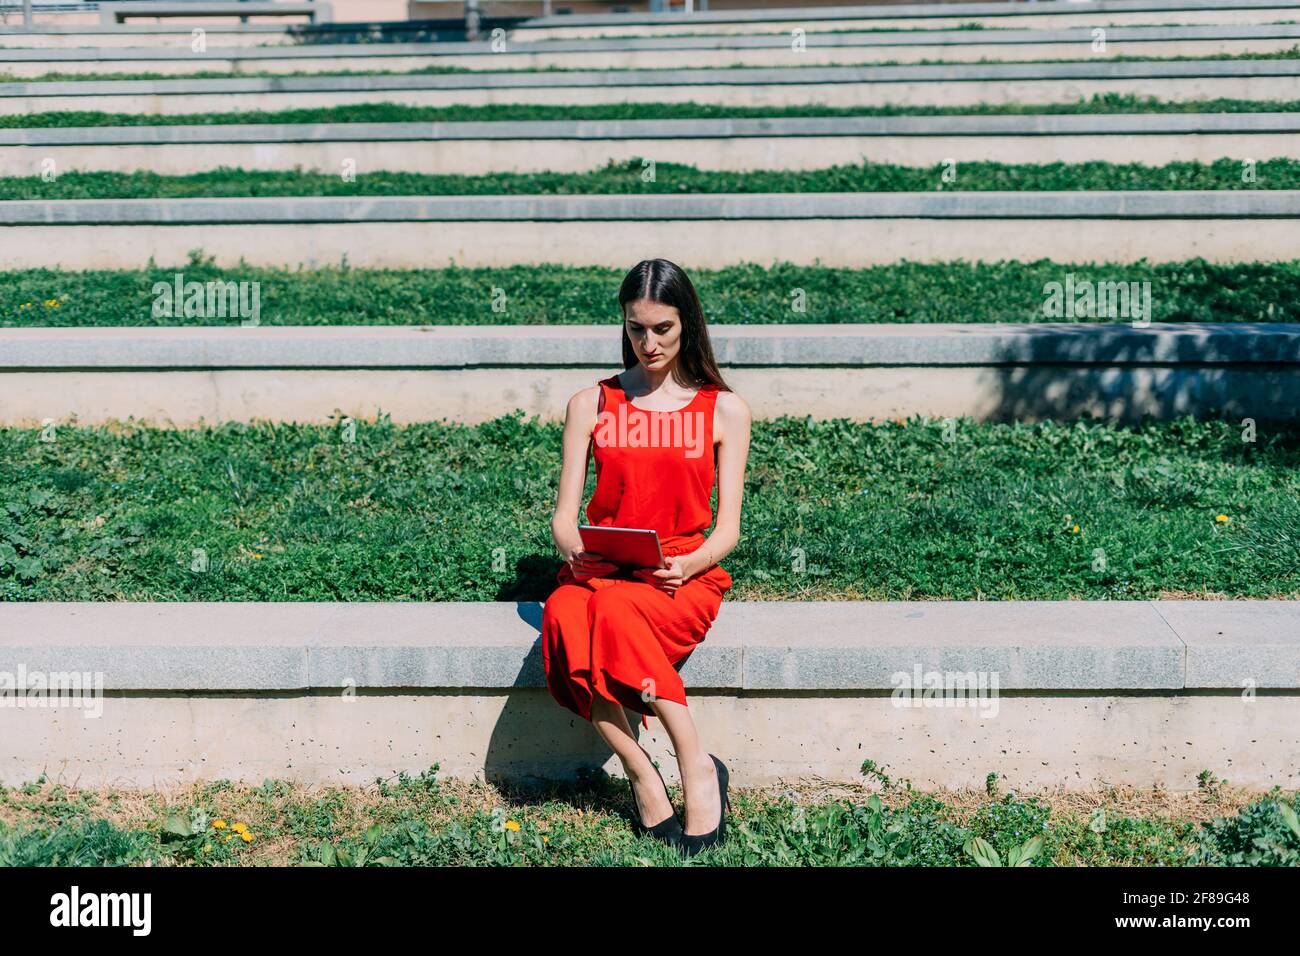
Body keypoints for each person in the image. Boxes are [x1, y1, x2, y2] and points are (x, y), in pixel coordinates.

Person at [541, 258, 752, 857]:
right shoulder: (593, 402)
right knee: (563, 614)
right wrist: (575, 550)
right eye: (637, 329)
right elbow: (564, 515)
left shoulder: (724, 409)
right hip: (602, 568)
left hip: (680, 573)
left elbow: (727, 529)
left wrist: (688, 565)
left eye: (663, 328)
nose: (649, 342)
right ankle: (640, 769)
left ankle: (696, 764)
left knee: (614, 618)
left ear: (687, 325)